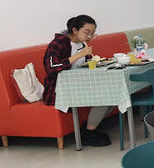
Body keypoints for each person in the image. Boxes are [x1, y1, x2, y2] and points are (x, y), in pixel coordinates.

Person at [43, 15, 111, 147]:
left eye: (92, 33)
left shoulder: (82, 43)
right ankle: (87, 134)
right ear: (75, 30)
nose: (90, 37)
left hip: (80, 85)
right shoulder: (58, 43)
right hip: (59, 90)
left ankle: (89, 130)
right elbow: (51, 69)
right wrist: (79, 55)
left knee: (114, 93)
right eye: (87, 32)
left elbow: (86, 63)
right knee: (106, 96)